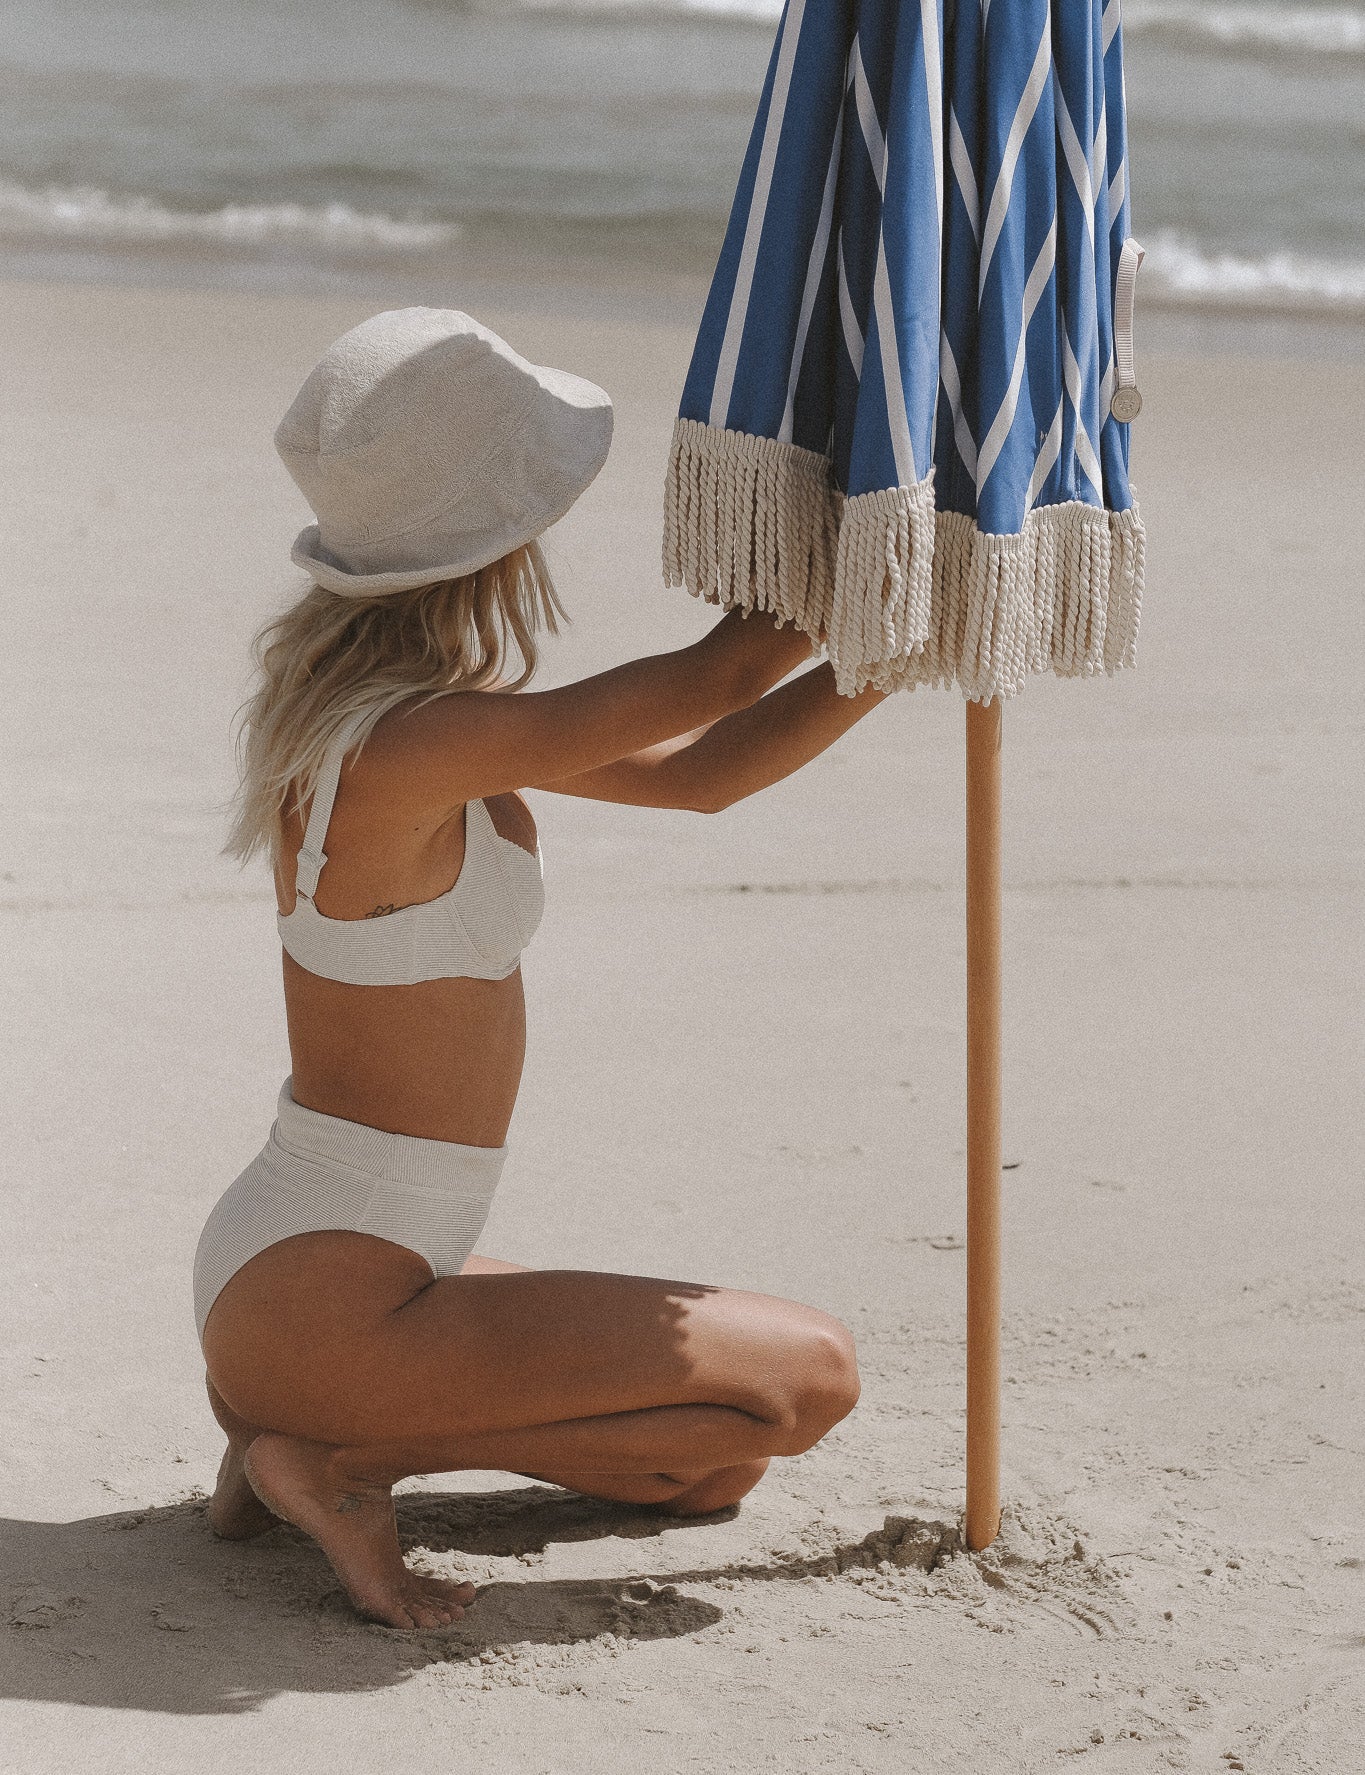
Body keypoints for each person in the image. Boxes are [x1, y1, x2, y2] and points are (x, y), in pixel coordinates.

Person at [198, 308, 883, 1630]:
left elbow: (703, 779)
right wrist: (907, 513)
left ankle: (294, 1439)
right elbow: (724, 671)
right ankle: (340, 1459)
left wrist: (891, 658)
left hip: (313, 1278)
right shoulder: (405, 750)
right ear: (495, 541)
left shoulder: (399, 727)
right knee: (813, 1378)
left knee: (711, 1459)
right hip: (330, 1301)